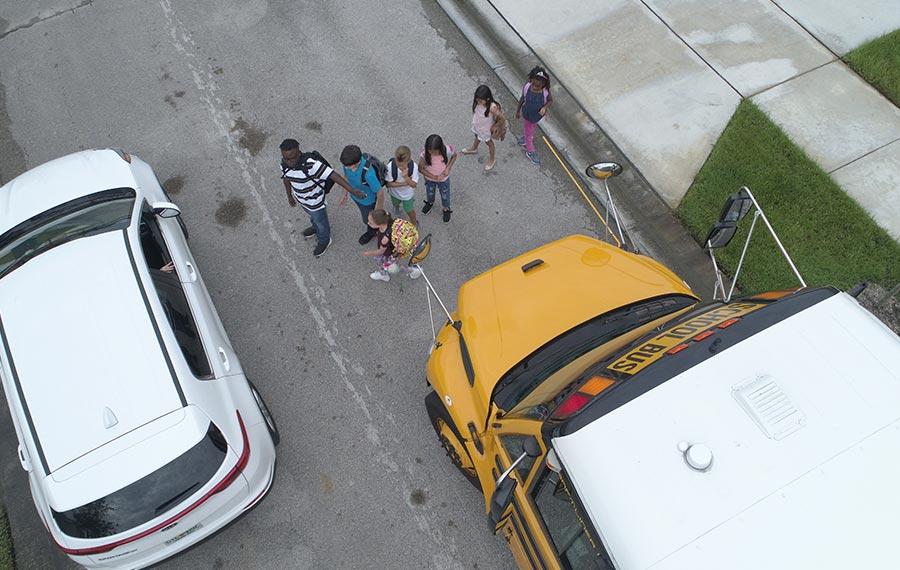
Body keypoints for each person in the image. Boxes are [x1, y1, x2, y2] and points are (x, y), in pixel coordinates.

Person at [280, 138, 356, 257]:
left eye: (293, 158)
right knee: (314, 218)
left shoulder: (311, 164)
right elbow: (286, 178)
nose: (289, 161)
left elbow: (333, 175)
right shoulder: (284, 164)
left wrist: (352, 190)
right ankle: (315, 227)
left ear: (299, 152)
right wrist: (289, 196)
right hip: (301, 200)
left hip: (316, 202)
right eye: (286, 158)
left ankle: (324, 241)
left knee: (321, 223)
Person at [339, 145, 385, 245]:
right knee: (367, 218)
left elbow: (380, 192)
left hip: (368, 201)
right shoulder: (347, 164)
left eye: (349, 167)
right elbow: (346, 177)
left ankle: (372, 232)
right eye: (345, 166)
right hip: (356, 196)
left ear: (358, 162)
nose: (346, 168)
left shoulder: (368, 174)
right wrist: (344, 194)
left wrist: (376, 212)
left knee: (367, 220)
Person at [363, 209, 422, 282]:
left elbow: (381, 251)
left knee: (393, 267)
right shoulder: (390, 222)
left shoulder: (385, 239)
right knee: (380, 261)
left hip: (390, 254)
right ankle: (383, 274)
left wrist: (369, 253)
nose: (368, 223)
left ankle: (412, 271)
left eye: (371, 223)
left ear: (379, 224)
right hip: (392, 250)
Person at [461, 85, 507, 171]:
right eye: (477, 100)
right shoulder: (480, 103)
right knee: (476, 136)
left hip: (485, 131)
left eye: (480, 100)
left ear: (488, 99)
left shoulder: (492, 108)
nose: (478, 102)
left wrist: (496, 126)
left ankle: (492, 159)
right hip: (478, 127)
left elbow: (503, 118)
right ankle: (474, 148)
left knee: (489, 144)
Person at [515, 67, 553, 165]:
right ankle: (530, 151)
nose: (535, 87)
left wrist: (544, 107)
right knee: (529, 131)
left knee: (531, 127)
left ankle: (527, 137)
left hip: (537, 116)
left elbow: (550, 100)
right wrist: (518, 111)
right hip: (527, 114)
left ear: (543, 84)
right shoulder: (527, 87)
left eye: (538, 86)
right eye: (534, 84)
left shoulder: (545, 92)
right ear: (531, 80)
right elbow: (522, 98)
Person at [419, 134, 457, 223]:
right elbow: (420, 168)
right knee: (430, 193)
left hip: (444, 180)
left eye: (434, 151)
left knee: (445, 195)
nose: (431, 153)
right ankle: (430, 202)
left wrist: (448, 168)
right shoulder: (424, 153)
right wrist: (435, 177)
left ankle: (446, 208)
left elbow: (454, 156)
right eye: (430, 150)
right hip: (429, 179)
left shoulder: (448, 150)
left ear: (440, 148)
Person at [385, 146, 420, 226]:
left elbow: (414, 185)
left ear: (409, 160)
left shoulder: (413, 167)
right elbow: (389, 184)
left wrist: (406, 178)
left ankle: (414, 223)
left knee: (409, 210)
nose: (400, 167)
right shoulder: (390, 167)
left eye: (402, 165)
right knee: (395, 203)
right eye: (398, 165)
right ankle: (396, 207)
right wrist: (405, 183)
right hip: (394, 193)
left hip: (407, 195)